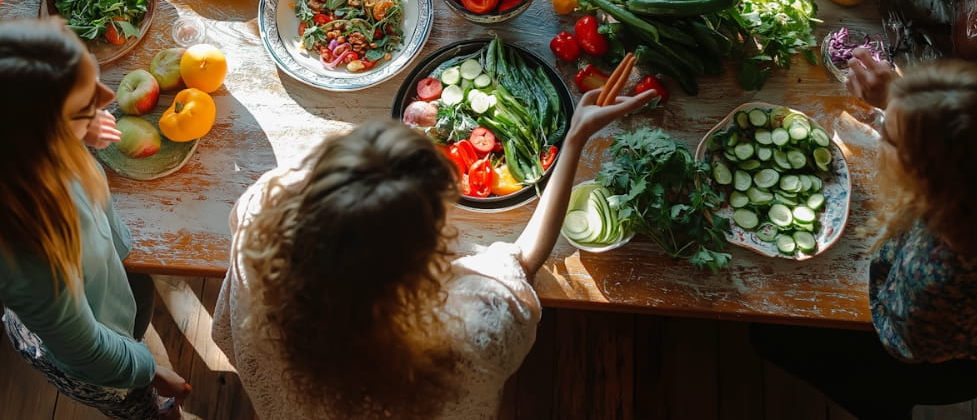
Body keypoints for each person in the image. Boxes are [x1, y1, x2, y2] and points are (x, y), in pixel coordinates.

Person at [212, 87, 654, 419]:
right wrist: (575, 138)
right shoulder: (469, 331)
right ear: (415, 255)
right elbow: (524, 260)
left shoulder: (262, 209)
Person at [750, 49, 977, 419]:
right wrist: (903, 99)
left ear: (923, 173)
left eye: (889, 135)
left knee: (769, 335)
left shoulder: (934, 273)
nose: (880, 131)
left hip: (942, 361)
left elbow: (902, 343)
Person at [0, 17, 190, 420]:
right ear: (43, 135)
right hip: (95, 366)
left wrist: (81, 130)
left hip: (103, 288)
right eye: (85, 104)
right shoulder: (31, 256)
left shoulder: (23, 157)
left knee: (138, 299)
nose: (107, 98)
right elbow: (87, 351)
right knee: (141, 408)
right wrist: (149, 370)